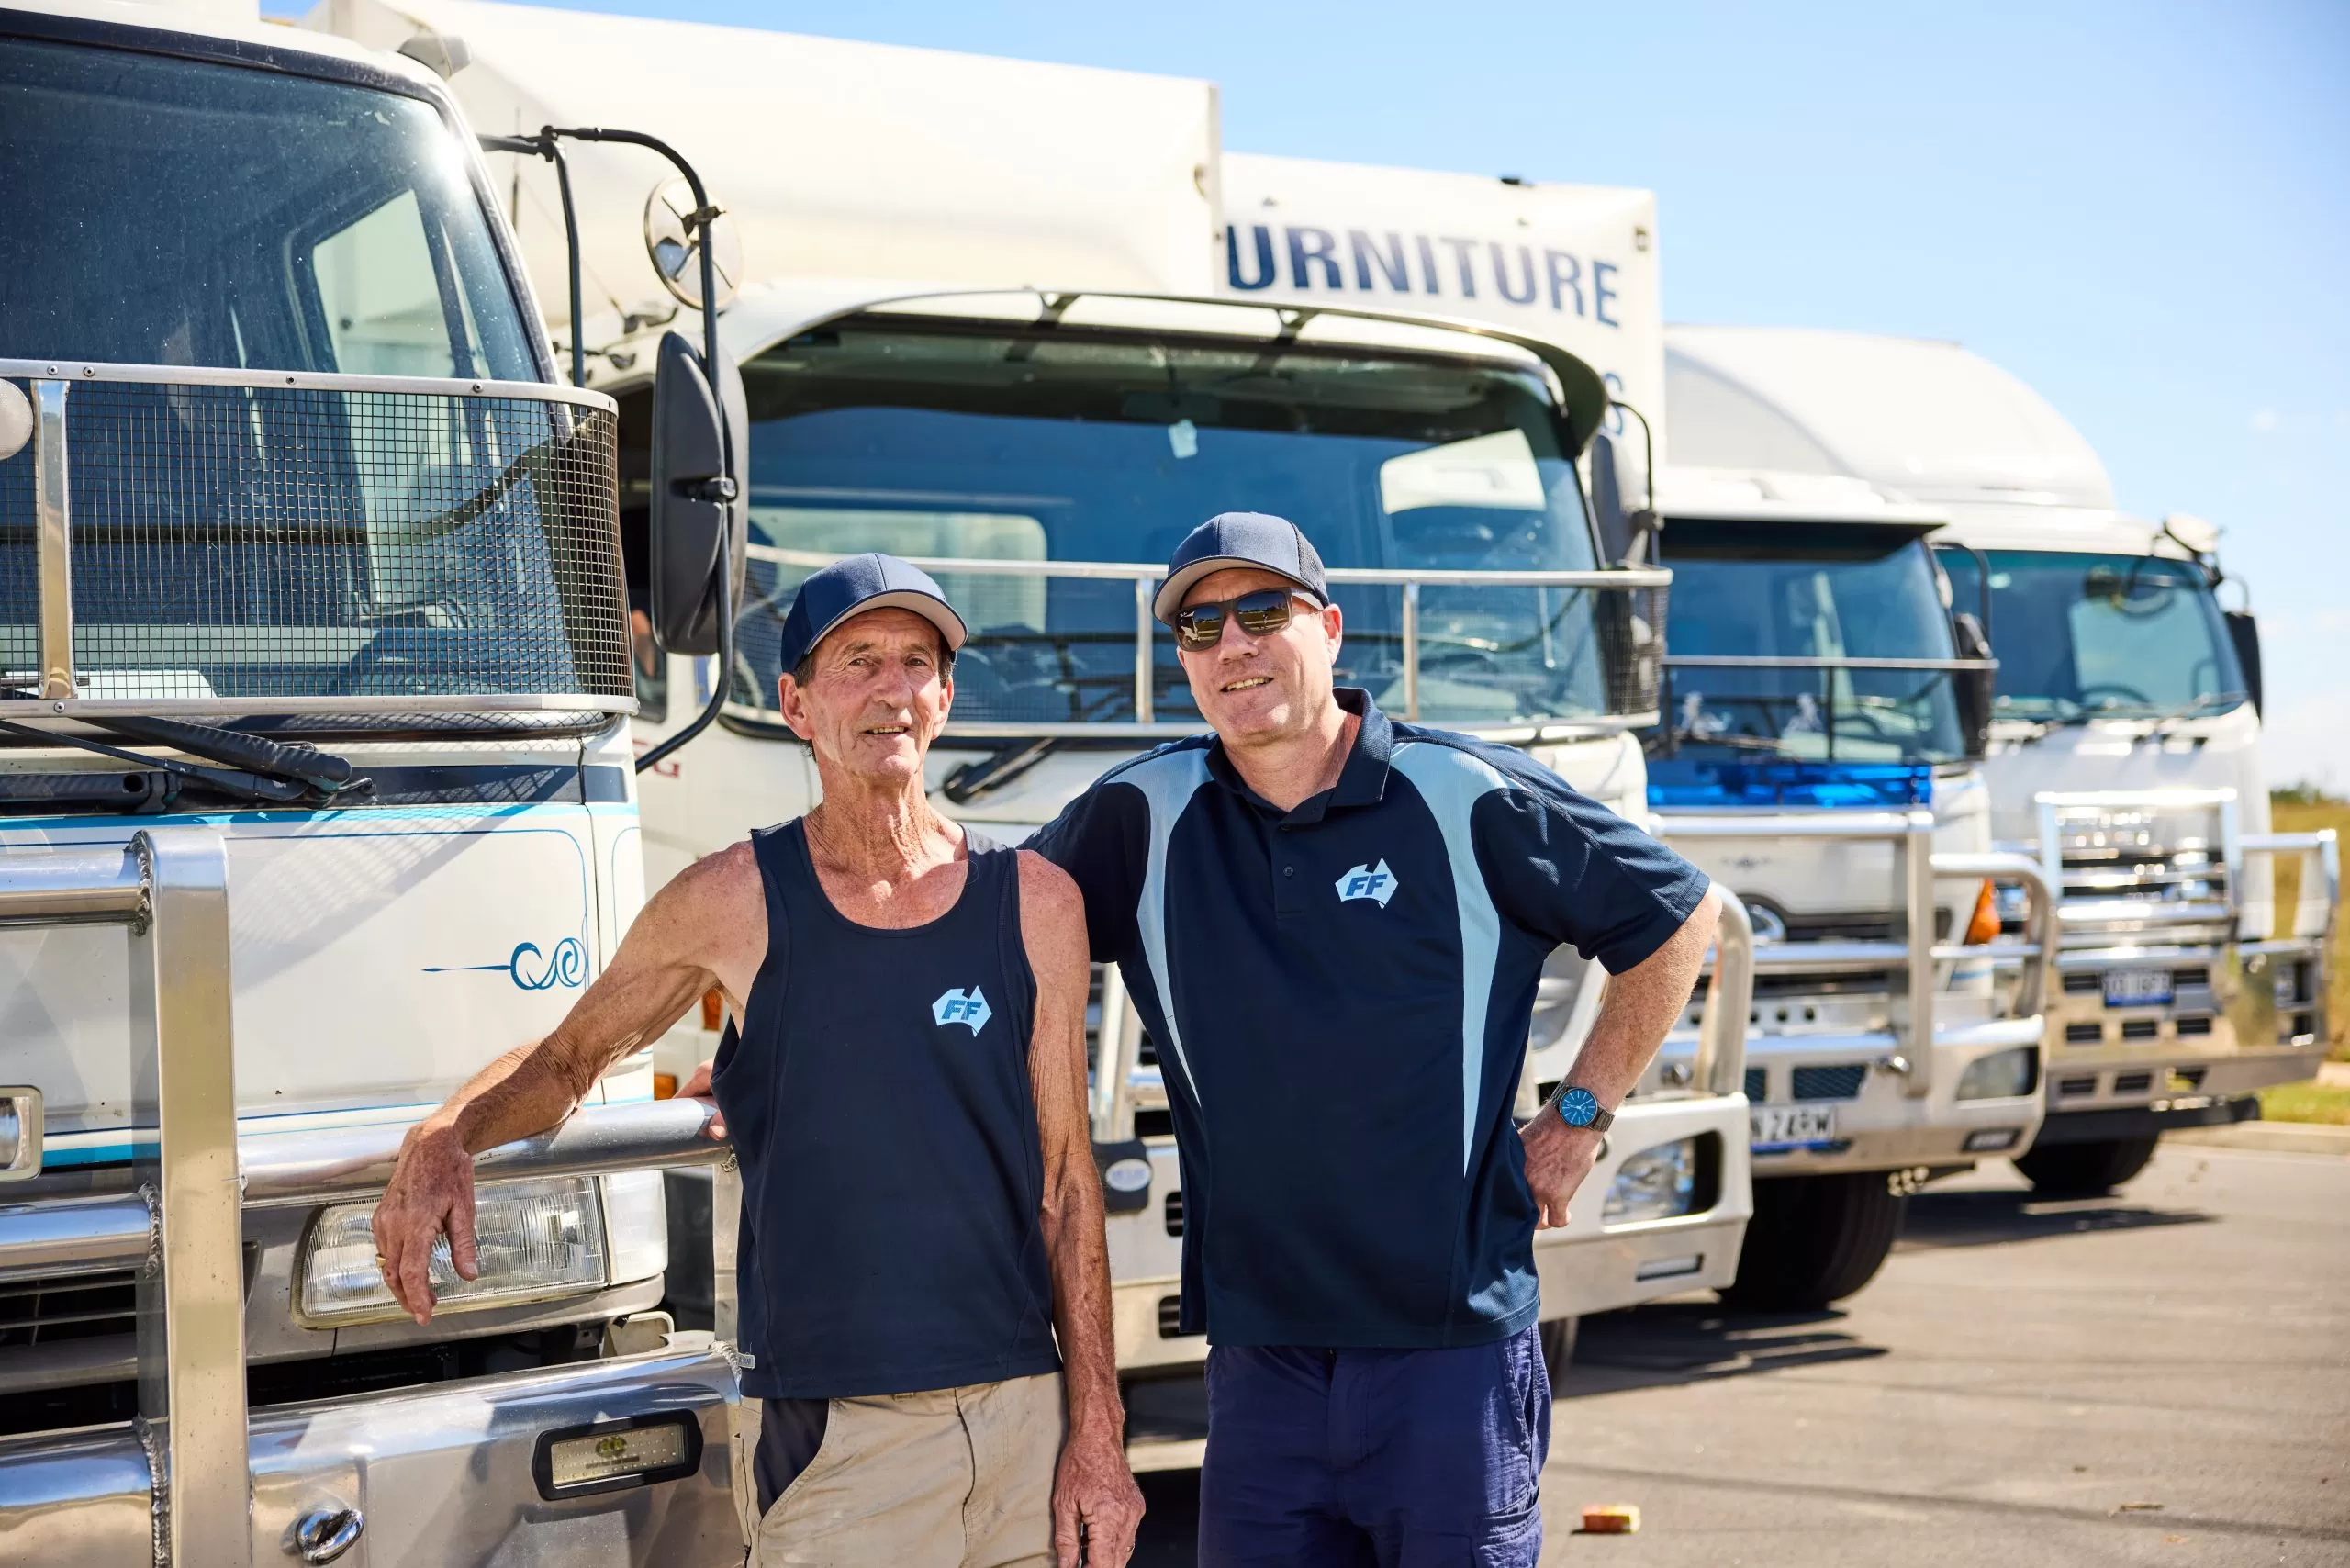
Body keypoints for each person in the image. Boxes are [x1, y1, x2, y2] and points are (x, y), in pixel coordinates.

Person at [372, 553, 1144, 1568]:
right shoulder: (730, 899)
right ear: (795, 702)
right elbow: (569, 1059)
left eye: (916, 662)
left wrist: (1097, 1434)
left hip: (1025, 1428)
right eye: (857, 660)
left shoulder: (1038, 903)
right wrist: (446, 1133)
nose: (891, 689)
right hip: (840, 1441)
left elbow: (1067, 1188)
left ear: (945, 696)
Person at [1029, 513, 1718, 1566]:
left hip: (1451, 1350)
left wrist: (1580, 1113)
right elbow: (970, 934)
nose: (1232, 646)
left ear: (1331, 628)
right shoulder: (1142, 812)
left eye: (1263, 612)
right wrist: (764, 1021)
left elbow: (1678, 917)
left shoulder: (1462, 794)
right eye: (1199, 627)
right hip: (1260, 1358)